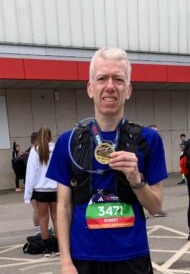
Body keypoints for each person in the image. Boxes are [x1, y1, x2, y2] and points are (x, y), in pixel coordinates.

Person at [46, 47, 168, 274]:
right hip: (83, 259)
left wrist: (136, 179)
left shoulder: (148, 140)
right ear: (90, 88)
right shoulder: (68, 142)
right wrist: (65, 261)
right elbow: (62, 206)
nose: (110, 86)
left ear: (128, 90)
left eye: (118, 79)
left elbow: (156, 206)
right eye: (102, 78)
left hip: (133, 257)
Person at [24, 126, 58, 257]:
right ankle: (58, 246)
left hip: (40, 190)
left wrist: (28, 194)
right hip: (55, 189)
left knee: (43, 218)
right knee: (56, 218)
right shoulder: (56, 148)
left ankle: (47, 249)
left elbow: (31, 173)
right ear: (50, 135)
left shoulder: (35, 150)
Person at [147, 124, 167, 218]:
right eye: (153, 130)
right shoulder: (145, 140)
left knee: (156, 190)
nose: (155, 132)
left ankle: (157, 210)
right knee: (142, 190)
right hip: (146, 169)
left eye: (156, 130)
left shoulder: (156, 140)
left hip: (154, 168)